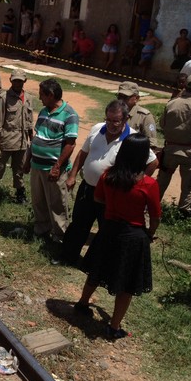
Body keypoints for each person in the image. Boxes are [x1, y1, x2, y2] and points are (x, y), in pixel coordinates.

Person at [74, 134, 161, 340]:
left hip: (109, 229)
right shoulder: (148, 184)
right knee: (127, 283)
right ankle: (114, 326)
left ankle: (83, 302)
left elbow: (98, 198)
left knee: (97, 269)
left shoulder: (108, 176)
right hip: (133, 235)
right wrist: (150, 233)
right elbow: (155, 216)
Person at [61, 100, 158, 265]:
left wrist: (132, 184)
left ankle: (95, 263)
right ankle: (67, 257)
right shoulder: (97, 129)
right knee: (79, 224)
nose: (112, 124)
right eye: (109, 119)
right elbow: (83, 154)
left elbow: (153, 162)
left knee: (106, 230)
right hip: (88, 188)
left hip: (111, 193)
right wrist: (72, 176)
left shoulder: (132, 138)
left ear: (126, 119)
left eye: (116, 121)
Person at [23, 78, 79, 242]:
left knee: (57, 203)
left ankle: (60, 235)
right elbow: (37, 137)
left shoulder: (70, 115)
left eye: (42, 95)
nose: (40, 98)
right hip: (37, 166)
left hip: (53, 169)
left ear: (51, 95)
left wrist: (57, 166)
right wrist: (28, 161)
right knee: (38, 200)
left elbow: (70, 144)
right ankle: (41, 229)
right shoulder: (44, 111)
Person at [0, 69, 33, 203]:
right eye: (15, 81)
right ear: (10, 80)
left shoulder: (29, 98)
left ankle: (20, 194)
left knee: (19, 169)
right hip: (7, 140)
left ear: (24, 81)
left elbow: (30, 122)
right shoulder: (3, 98)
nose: (17, 83)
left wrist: (32, 141)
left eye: (20, 81)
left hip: (22, 142)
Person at [156, 74, 191, 217]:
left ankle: (152, 205)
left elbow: (162, 124)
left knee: (162, 180)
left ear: (185, 85)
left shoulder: (173, 103)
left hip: (170, 149)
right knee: (188, 184)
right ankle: (183, 212)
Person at [116, 82, 158, 151]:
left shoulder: (144, 116)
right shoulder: (114, 112)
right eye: (120, 96)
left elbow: (151, 143)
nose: (121, 100)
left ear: (136, 98)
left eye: (126, 97)